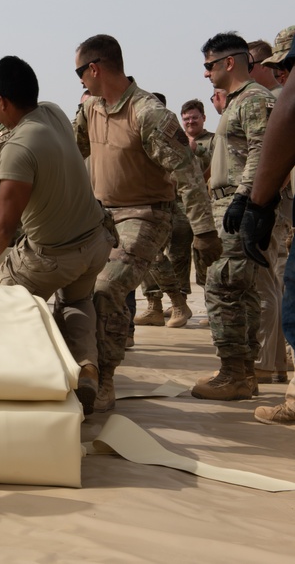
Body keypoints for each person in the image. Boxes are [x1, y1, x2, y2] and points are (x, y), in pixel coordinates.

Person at [0, 56, 114, 415]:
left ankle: (25, 385)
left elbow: (2, 228)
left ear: (2, 102)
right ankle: (86, 367)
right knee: (76, 303)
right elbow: (3, 160)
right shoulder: (50, 114)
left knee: (9, 301)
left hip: (53, 257)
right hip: (95, 243)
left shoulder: (21, 146)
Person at [73, 34, 221, 413]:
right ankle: (82, 368)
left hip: (146, 216)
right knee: (73, 287)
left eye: (80, 72)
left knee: (106, 290)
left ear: (95, 68)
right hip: (102, 217)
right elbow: (70, 154)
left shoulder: (149, 113)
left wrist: (204, 231)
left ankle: (104, 380)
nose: (79, 82)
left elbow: (187, 174)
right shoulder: (90, 110)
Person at [191, 32, 274, 400]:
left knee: (223, 288)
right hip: (229, 204)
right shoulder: (239, 101)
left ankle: (234, 374)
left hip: (238, 206)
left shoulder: (254, 99)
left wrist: (244, 199)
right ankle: (242, 371)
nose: (206, 73)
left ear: (228, 62)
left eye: (209, 65)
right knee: (239, 291)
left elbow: (261, 149)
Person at [242, 44, 295, 425]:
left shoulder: (266, 100)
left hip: (278, 207)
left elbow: (284, 122)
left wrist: (258, 204)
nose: (282, 77)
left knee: (280, 295)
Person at [135, 99, 214, 328]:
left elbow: (209, 171)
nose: (190, 122)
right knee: (158, 254)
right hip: (167, 202)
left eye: (194, 117)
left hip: (194, 205)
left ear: (203, 118)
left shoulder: (211, 141)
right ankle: (160, 304)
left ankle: (195, 304)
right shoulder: (165, 140)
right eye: (186, 118)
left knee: (193, 258)